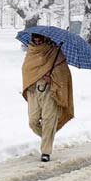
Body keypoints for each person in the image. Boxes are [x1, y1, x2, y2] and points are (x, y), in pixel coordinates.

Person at [21, 33, 74, 162]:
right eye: (35, 40)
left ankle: (46, 151)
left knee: (48, 121)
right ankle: (47, 136)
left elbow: (63, 73)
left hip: (50, 92)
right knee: (33, 121)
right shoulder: (31, 53)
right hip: (33, 91)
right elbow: (26, 70)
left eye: (40, 40)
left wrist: (52, 79)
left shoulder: (55, 53)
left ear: (45, 39)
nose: (38, 42)